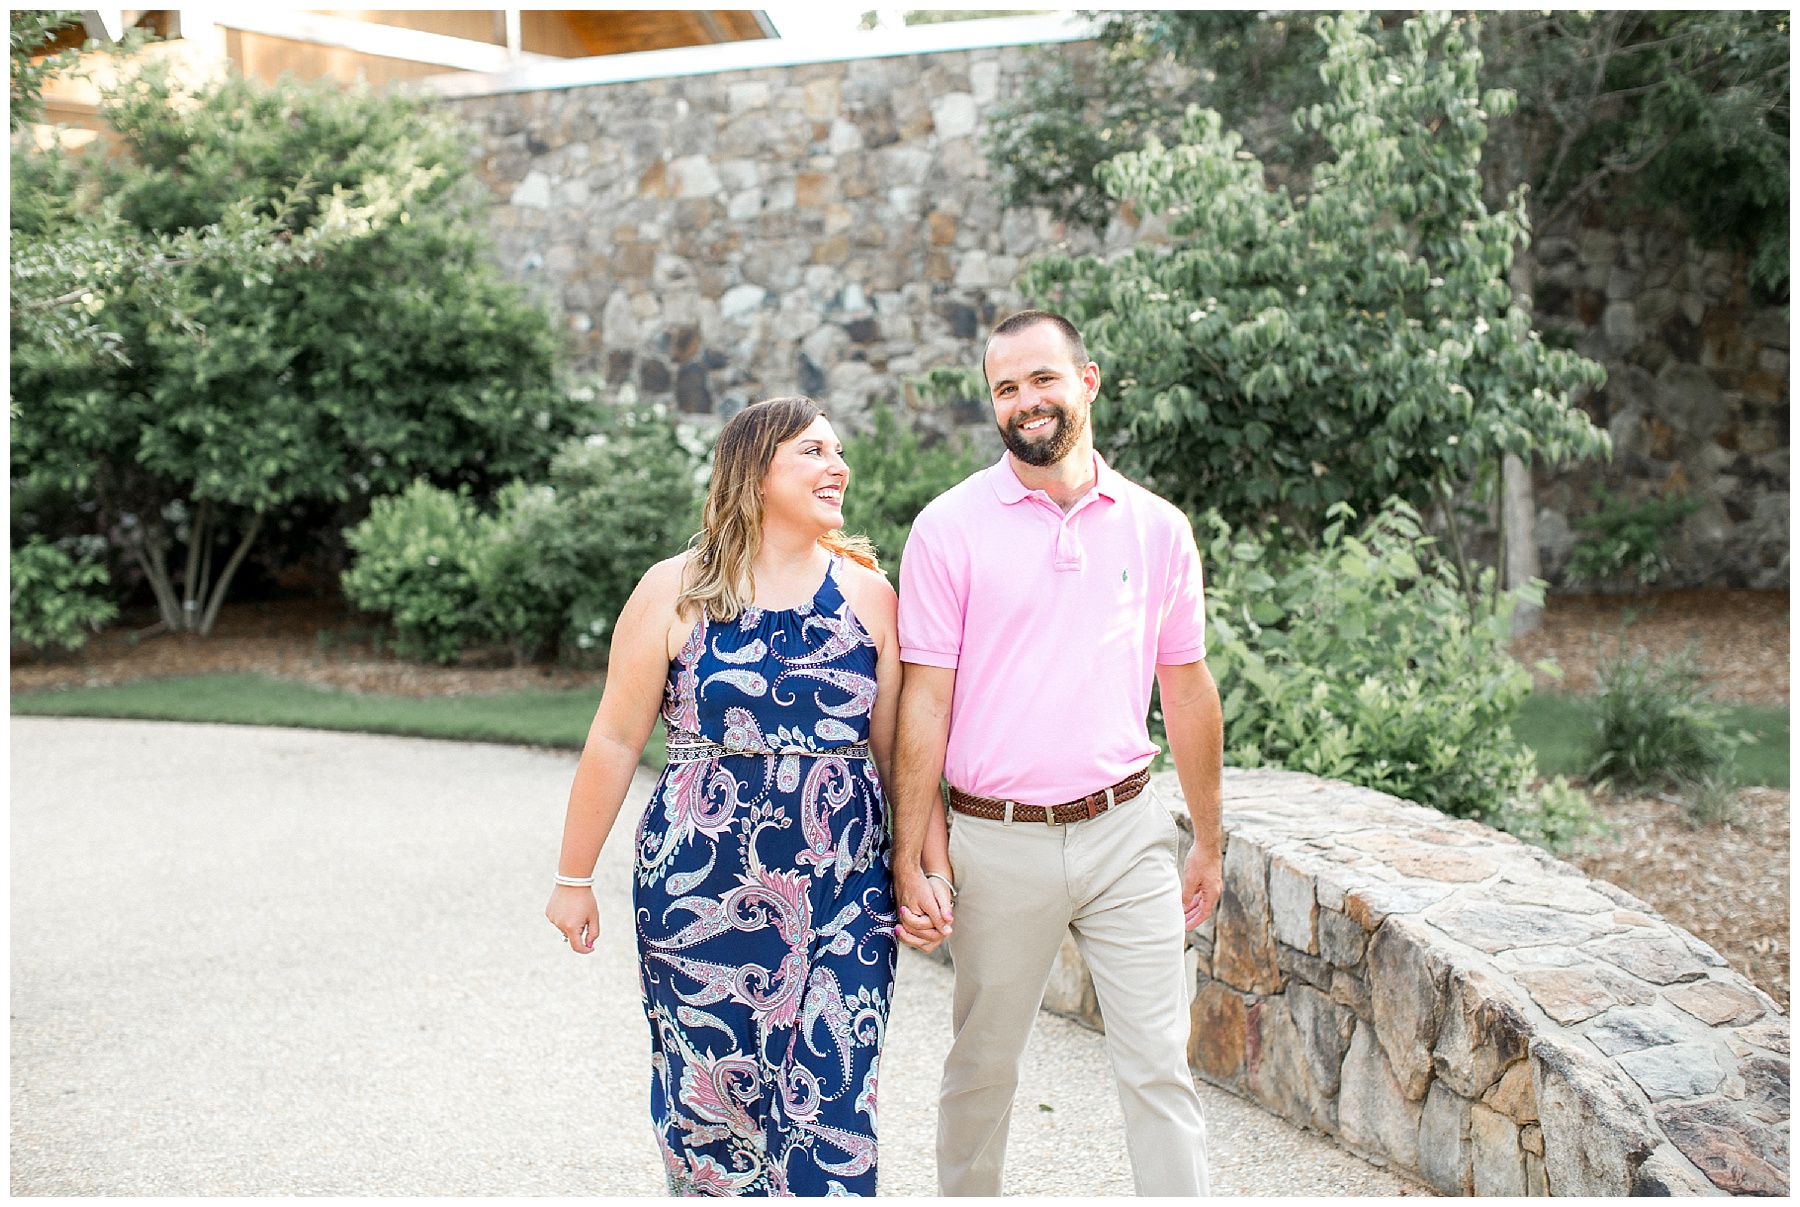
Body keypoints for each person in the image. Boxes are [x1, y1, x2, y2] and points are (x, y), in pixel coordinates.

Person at [889, 310, 1225, 1197]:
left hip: (1127, 832)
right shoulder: (948, 528)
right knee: (982, 1069)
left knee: (1160, 1067)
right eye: (1005, 388)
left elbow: (1188, 691)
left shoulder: (1158, 527)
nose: (1025, 401)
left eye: (1042, 378)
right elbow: (924, 702)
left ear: (1088, 380)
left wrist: (1209, 838)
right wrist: (911, 854)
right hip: (996, 842)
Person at [545, 397, 901, 1197]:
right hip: (696, 886)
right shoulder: (674, 590)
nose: (838, 466)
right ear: (755, 469)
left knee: (835, 1099)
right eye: (813, 451)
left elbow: (897, 757)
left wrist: (921, 868)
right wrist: (573, 876)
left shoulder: (870, 596)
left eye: (838, 450)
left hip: (844, 888)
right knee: (711, 1102)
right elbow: (614, 739)